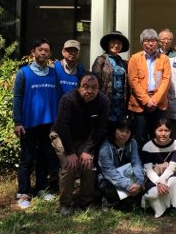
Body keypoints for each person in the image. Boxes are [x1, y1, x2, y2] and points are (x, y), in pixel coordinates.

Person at [50, 72, 109, 216]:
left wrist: (87, 150)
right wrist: (70, 153)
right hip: (61, 135)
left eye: (94, 87)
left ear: (99, 88)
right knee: (69, 166)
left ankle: (86, 201)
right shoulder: (68, 99)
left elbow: (101, 128)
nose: (89, 91)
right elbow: (63, 127)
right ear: (78, 87)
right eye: (85, 86)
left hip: (84, 137)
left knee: (88, 163)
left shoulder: (103, 100)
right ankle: (66, 203)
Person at [13, 38, 59, 208]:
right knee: (27, 159)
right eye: (40, 49)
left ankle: (41, 188)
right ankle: (23, 193)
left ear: (50, 54)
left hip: (48, 123)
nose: (43, 53)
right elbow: (17, 98)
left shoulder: (53, 73)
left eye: (46, 50)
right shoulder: (23, 73)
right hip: (28, 124)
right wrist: (17, 122)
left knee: (45, 157)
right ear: (33, 52)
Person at [128, 28, 171, 150]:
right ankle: (140, 164)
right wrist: (147, 101)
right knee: (140, 137)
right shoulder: (134, 59)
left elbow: (166, 81)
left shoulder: (164, 59)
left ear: (157, 42)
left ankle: (156, 163)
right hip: (139, 105)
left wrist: (155, 101)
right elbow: (133, 81)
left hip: (159, 105)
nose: (150, 43)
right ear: (142, 43)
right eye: (147, 41)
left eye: (153, 40)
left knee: (159, 136)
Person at [97, 117, 144, 210]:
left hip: (127, 174)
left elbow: (136, 163)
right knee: (108, 186)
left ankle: (128, 199)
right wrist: (128, 185)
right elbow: (110, 172)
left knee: (144, 175)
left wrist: (138, 182)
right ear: (114, 130)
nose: (124, 134)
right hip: (109, 177)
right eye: (121, 130)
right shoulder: (105, 149)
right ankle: (108, 202)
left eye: (127, 132)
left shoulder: (132, 143)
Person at [141, 118, 176, 218]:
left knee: (174, 182)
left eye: (166, 130)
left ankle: (173, 206)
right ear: (155, 131)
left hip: (169, 174)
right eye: (160, 130)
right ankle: (156, 204)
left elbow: (172, 167)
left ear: (170, 131)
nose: (163, 133)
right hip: (153, 176)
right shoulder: (147, 147)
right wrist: (158, 182)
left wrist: (162, 182)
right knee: (154, 193)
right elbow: (148, 170)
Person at [92, 31, 130, 122]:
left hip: (121, 103)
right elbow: (94, 83)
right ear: (108, 44)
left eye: (119, 43)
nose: (116, 45)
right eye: (113, 42)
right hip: (106, 101)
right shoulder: (101, 60)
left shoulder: (124, 63)